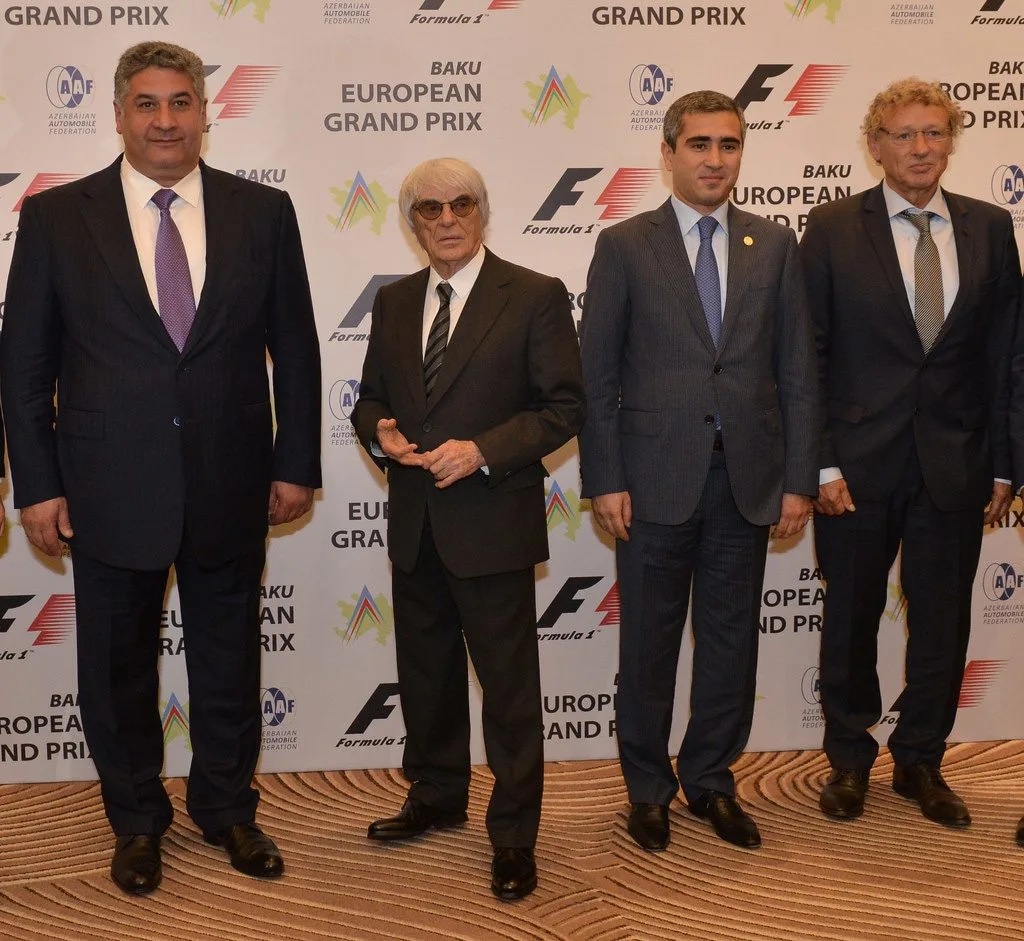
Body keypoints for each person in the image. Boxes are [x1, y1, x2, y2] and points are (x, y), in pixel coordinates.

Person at [0, 41, 321, 894]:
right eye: (147, 103)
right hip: (106, 486)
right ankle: (137, 820)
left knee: (228, 662)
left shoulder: (265, 211)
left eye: (181, 101)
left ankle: (228, 810)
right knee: (115, 671)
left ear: (206, 112)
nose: (166, 119)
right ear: (117, 114)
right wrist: (36, 482)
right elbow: (24, 365)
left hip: (233, 478)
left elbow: (294, 347)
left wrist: (296, 460)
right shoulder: (58, 217)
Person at [578, 91, 819, 852]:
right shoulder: (624, 245)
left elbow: (798, 371)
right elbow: (597, 375)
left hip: (745, 482)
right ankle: (647, 789)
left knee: (729, 644)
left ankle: (711, 779)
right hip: (651, 481)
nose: (717, 160)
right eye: (701, 145)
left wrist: (799, 478)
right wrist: (605, 476)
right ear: (669, 152)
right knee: (646, 646)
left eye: (730, 145)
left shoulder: (774, 245)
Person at [351, 157, 584, 900]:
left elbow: (563, 407)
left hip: (493, 522)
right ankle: (437, 793)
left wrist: (483, 449)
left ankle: (514, 834)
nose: (446, 219)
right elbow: (370, 400)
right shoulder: (393, 303)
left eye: (460, 205)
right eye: (429, 209)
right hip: (416, 522)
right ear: (411, 222)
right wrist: (378, 433)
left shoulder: (535, 295)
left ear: (482, 211)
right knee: (426, 678)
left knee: (509, 692)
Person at [801, 78, 1019, 828]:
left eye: (935, 132)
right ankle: (850, 760)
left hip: (956, 464)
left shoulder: (991, 227)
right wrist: (821, 464)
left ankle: (921, 760)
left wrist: (1003, 463)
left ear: (951, 141)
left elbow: (1006, 356)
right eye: (905, 134)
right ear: (876, 145)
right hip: (855, 470)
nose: (922, 147)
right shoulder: (830, 228)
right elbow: (810, 357)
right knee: (850, 619)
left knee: (943, 622)